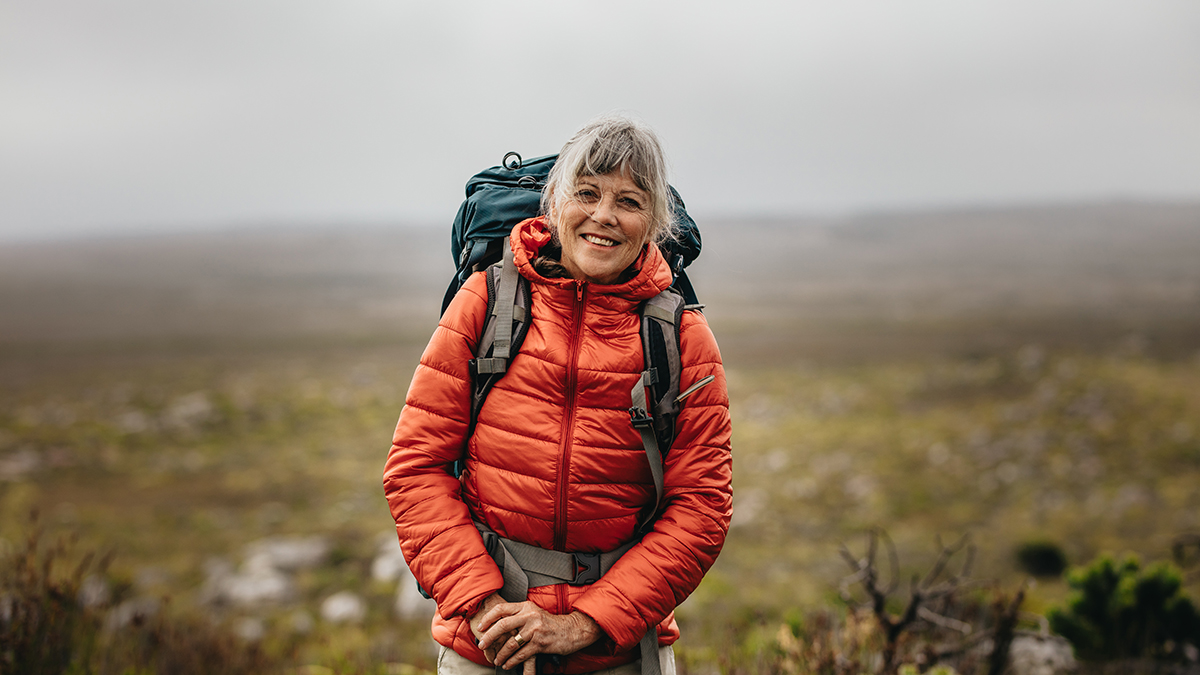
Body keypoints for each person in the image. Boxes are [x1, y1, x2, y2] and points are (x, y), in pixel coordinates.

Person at [382, 114, 732, 675]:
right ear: (553, 203)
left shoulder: (680, 336)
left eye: (630, 201)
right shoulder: (485, 301)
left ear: (654, 223)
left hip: (619, 650)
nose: (603, 216)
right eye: (586, 193)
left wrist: (585, 624)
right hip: (486, 641)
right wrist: (482, 605)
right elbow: (415, 467)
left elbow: (702, 507)